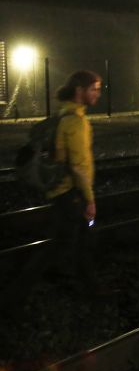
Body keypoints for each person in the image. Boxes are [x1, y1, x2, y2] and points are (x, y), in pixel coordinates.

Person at [1, 70, 105, 313]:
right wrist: (89, 201)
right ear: (80, 90)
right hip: (73, 196)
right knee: (60, 246)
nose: (97, 94)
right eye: (94, 89)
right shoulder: (75, 122)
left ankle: (90, 287)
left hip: (62, 194)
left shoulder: (63, 114)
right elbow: (78, 167)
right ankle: (12, 297)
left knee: (82, 242)